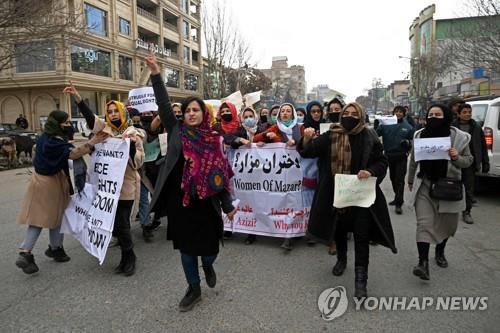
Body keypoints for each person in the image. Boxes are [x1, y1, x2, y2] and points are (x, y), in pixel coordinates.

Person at [146, 52, 236, 312]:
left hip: (206, 204)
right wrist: (155, 74)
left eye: (196, 109)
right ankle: (193, 288)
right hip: (180, 201)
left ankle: (208, 265)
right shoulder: (176, 131)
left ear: (204, 113)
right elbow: (163, 104)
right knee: (186, 250)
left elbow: (220, 177)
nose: (191, 113)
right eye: (187, 110)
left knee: (209, 250)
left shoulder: (213, 140)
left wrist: (228, 205)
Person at [297, 102, 397, 298]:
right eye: (346, 113)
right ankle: (341, 260)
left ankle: (361, 281)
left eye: (354, 114)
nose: (349, 116)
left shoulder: (369, 136)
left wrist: (370, 171)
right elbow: (308, 152)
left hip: (361, 196)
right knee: (340, 232)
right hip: (336, 195)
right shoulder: (331, 135)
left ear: (360, 116)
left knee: (361, 236)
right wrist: (306, 139)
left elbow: (382, 161)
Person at [63, 82, 145, 277]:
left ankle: (130, 257)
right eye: (110, 111)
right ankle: (126, 257)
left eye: (116, 111)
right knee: (115, 225)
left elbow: (139, 161)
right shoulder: (104, 130)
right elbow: (90, 119)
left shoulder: (133, 134)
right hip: (106, 189)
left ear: (123, 113)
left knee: (122, 224)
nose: (114, 114)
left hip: (125, 188)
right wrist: (78, 98)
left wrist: (132, 148)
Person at [15, 111, 108, 274]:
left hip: (39, 180)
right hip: (50, 183)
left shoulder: (45, 137)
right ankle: (26, 252)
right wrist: (93, 141)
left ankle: (55, 248)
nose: (68, 125)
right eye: (65, 122)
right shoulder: (54, 142)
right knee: (46, 218)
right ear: (57, 124)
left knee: (52, 216)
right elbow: (73, 154)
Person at [408, 104, 473, 281]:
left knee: (447, 224)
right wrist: (410, 178)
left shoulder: (460, 138)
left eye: (438, 114)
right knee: (424, 223)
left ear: (445, 116)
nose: (434, 117)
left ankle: (440, 251)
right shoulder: (420, 135)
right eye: (431, 114)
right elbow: (413, 159)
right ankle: (423, 263)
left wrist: (456, 157)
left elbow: (468, 161)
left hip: (448, 186)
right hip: (425, 185)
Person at [451, 103, 489, 224]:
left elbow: (483, 146)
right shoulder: (452, 127)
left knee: (469, 188)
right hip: (454, 161)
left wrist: (485, 162)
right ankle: (451, 210)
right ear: (458, 114)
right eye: (464, 112)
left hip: (470, 163)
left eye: (469, 112)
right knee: (453, 185)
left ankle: (467, 212)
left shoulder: (476, 127)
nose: (467, 114)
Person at [376, 105, 414, 214]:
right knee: (393, 178)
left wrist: (408, 144)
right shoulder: (386, 124)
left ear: (404, 113)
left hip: (401, 156)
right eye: (396, 111)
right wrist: (377, 125)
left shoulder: (408, 127)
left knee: (399, 180)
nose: (398, 113)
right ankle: (397, 197)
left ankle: (399, 203)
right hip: (389, 155)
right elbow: (376, 134)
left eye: (400, 112)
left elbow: (412, 141)